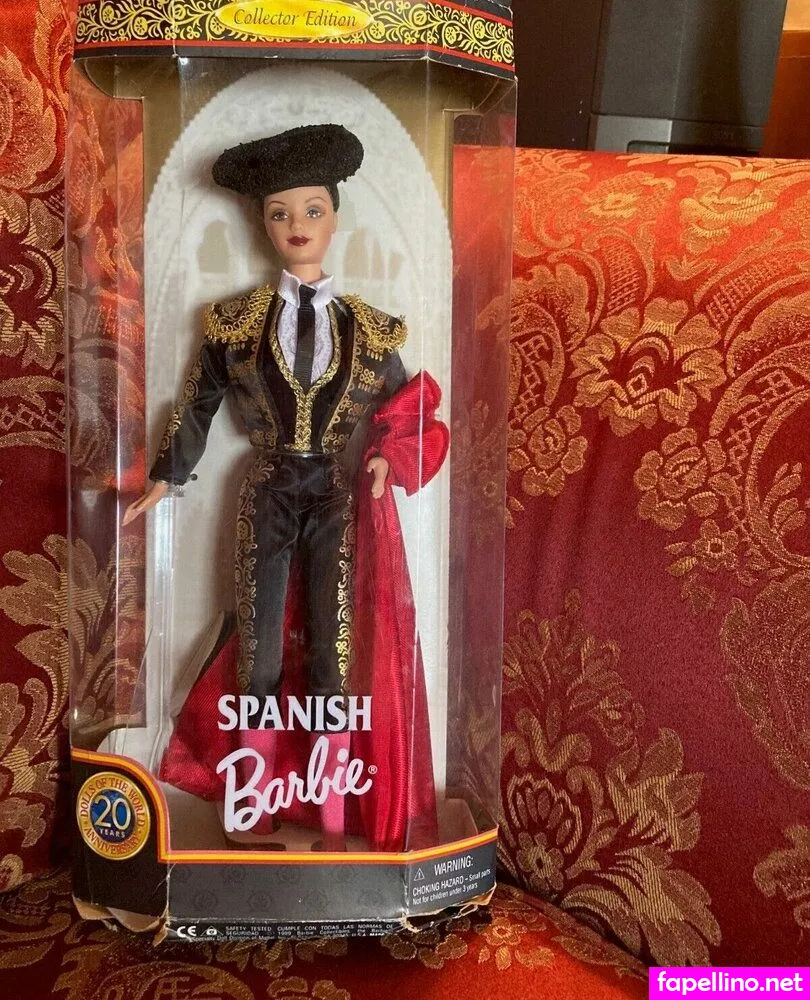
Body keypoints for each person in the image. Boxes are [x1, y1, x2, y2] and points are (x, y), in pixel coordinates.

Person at [123, 124, 448, 852]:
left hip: (335, 492)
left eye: (311, 210)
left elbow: (410, 410)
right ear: (263, 225)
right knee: (259, 651)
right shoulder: (235, 324)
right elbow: (199, 402)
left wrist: (387, 458)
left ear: (334, 216)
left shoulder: (371, 331)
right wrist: (168, 474)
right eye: (279, 213)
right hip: (267, 488)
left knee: (334, 652)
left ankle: (331, 818)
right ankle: (251, 814)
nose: (297, 226)